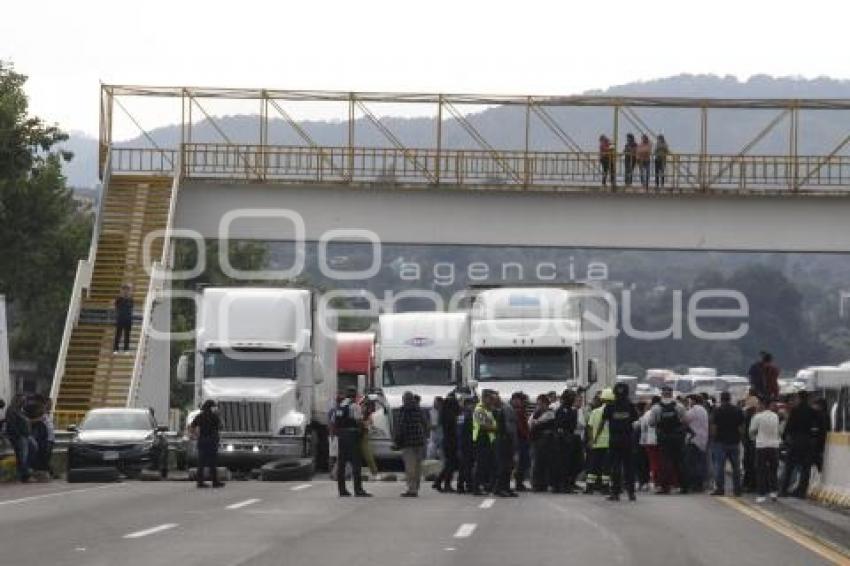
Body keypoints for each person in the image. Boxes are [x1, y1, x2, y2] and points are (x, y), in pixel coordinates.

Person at [599, 383, 639, 501]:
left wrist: (596, 436)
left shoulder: (610, 406)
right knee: (629, 467)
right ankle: (631, 493)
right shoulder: (630, 406)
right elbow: (635, 419)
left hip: (615, 440)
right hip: (628, 439)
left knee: (615, 467)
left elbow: (603, 421)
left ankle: (615, 493)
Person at [780, 390, 819, 498]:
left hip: (795, 441)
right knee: (805, 469)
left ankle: (783, 490)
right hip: (807, 441)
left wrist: (785, 438)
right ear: (807, 399)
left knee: (789, 466)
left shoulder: (794, 411)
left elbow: (788, 427)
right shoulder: (813, 412)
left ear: (800, 398)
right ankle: (801, 492)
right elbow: (817, 428)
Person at [650, 385, 687, 494]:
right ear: (672, 393)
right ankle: (683, 486)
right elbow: (684, 421)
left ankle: (665, 487)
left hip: (664, 438)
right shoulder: (679, 406)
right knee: (679, 462)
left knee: (665, 462)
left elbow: (651, 423)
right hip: (677, 438)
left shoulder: (656, 408)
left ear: (662, 394)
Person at [333, 387, 370, 497]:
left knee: (342, 464)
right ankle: (358, 490)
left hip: (341, 437)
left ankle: (342, 490)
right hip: (352, 436)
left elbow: (336, 422)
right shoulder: (354, 406)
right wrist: (363, 429)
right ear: (355, 396)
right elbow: (358, 421)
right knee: (356, 463)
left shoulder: (340, 406)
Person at [710, 391, 745, 496]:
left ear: (721, 399)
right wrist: (740, 438)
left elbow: (714, 427)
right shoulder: (738, 410)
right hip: (734, 441)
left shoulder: (717, 411)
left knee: (719, 467)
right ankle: (737, 489)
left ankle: (720, 489)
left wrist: (714, 438)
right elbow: (741, 427)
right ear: (729, 398)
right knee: (736, 467)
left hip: (720, 441)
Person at [749, 397, 780, 503]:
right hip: (774, 446)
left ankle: (761, 495)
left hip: (761, 446)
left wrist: (754, 439)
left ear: (762, 405)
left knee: (761, 471)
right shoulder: (775, 416)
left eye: (758, 404)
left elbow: (752, 431)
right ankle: (774, 492)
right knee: (773, 470)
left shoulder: (758, 417)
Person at [396, 392, 426, 497]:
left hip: (408, 442)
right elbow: (425, 423)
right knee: (418, 466)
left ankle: (412, 489)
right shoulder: (419, 410)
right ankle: (416, 487)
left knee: (410, 467)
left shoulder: (403, 410)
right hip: (419, 442)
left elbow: (400, 427)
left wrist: (397, 441)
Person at [189, 400, 224, 488]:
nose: (215, 408)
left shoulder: (199, 416)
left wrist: (195, 436)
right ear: (211, 407)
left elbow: (192, 427)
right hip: (212, 441)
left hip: (202, 441)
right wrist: (219, 415)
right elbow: (221, 426)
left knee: (201, 462)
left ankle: (200, 482)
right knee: (212, 462)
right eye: (214, 406)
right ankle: (215, 482)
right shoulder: (214, 416)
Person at [585, 388, 613, 494]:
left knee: (593, 466)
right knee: (606, 467)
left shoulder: (595, 411)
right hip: (608, 443)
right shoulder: (612, 412)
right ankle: (605, 487)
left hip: (596, 444)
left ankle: (589, 487)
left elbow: (590, 427)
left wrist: (592, 440)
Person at [472, 390, 498, 496]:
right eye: (490, 399)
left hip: (488, 439)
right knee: (481, 465)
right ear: (484, 398)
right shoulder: (479, 409)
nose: (492, 401)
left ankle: (488, 486)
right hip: (481, 439)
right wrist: (496, 428)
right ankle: (476, 487)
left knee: (490, 465)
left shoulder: (488, 409)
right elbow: (483, 425)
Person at [552, 389, 578, 493]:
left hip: (568, 439)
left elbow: (572, 426)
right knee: (561, 463)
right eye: (571, 397)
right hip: (562, 440)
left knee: (568, 463)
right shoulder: (562, 410)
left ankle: (565, 484)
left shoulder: (571, 410)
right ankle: (560, 485)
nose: (573, 399)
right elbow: (559, 425)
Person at [492, 393, 518, 497]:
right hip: (503, 439)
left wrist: (512, 439)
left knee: (506, 465)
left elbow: (509, 426)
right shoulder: (502, 409)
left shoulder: (504, 409)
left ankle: (504, 488)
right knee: (504, 465)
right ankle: (500, 488)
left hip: (505, 439)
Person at [529, 393, 555, 492]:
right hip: (536, 441)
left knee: (544, 464)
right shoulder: (536, 413)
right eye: (538, 404)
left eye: (541, 404)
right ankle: (536, 484)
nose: (539, 406)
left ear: (546, 404)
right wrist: (535, 422)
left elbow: (538, 422)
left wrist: (536, 422)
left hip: (546, 442)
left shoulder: (550, 413)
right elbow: (531, 423)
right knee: (536, 463)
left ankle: (543, 484)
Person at [434, 393, 460, 492]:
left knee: (450, 464)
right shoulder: (450, 416)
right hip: (451, 442)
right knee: (451, 464)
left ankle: (439, 481)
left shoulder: (444, 413)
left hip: (447, 441)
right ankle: (445, 483)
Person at [684, 395, 709, 493]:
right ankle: (700, 484)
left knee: (691, 463)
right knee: (700, 463)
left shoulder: (694, 410)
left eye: (690, 401)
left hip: (693, 439)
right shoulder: (704, 410)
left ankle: (694, 484)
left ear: (693, 401)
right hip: (702, 440)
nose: (689, 402)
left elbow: (684, 420)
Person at [5, 394, 32, 482]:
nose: (24, 402)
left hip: (26, 435)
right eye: (22, 400)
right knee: (22, 455)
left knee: (33, 447)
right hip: (19, 436)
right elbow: (11, 424)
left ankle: (25, 471)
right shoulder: (11, 410)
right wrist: (19, 434)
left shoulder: (22, 410)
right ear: (17, 400)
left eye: (24, 400)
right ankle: (24, 475)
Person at [638, 396, 660, 489]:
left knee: (649, 462)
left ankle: (650, 482)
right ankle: (658, 481)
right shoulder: (662, 410)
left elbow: (642, 427)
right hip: (660, 440)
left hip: (648, 441)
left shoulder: (648, 414)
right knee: (658, 462)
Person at [457, 395, 477, 494]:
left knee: (468, 465)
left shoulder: (472, 415)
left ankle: (467, 485)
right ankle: (462, 485)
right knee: (465, 466)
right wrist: (460, 446)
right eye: (471, 404)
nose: (472, 406)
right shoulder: (463, 415)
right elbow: (460, 431)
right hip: (465, 444)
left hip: (471, 443)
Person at [511, 392, 531, 492]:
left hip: (522, 439)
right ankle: (519, 483)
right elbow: (520, 427)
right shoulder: (517, 411)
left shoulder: (521, 411)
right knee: (520, 462)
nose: (523, 402)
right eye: (521, 400)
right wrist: (526, 436)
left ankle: (520, 482)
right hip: (520, 439)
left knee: (523, 462)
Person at [113, 283, 134, 354]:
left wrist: (126, 298)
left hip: (128, 319)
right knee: (118, 334)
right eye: (124, 290)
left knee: (127, 335)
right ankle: (115, 349)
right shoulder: (119, 299)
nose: (126, 291)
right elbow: (116, 307)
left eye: (127, 290)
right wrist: (122, 298)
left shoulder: (130, 299)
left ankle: (126, 349)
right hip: (120, 319)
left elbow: (131, 307)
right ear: (122, 290)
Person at [812, 398, 831, 473]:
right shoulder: (827, 415)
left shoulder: (819, 415)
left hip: (818, 442)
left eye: (816, 404)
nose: (814, 406)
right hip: (823, 442)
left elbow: (822, 429)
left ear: (820, 406)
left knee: (817, 462)